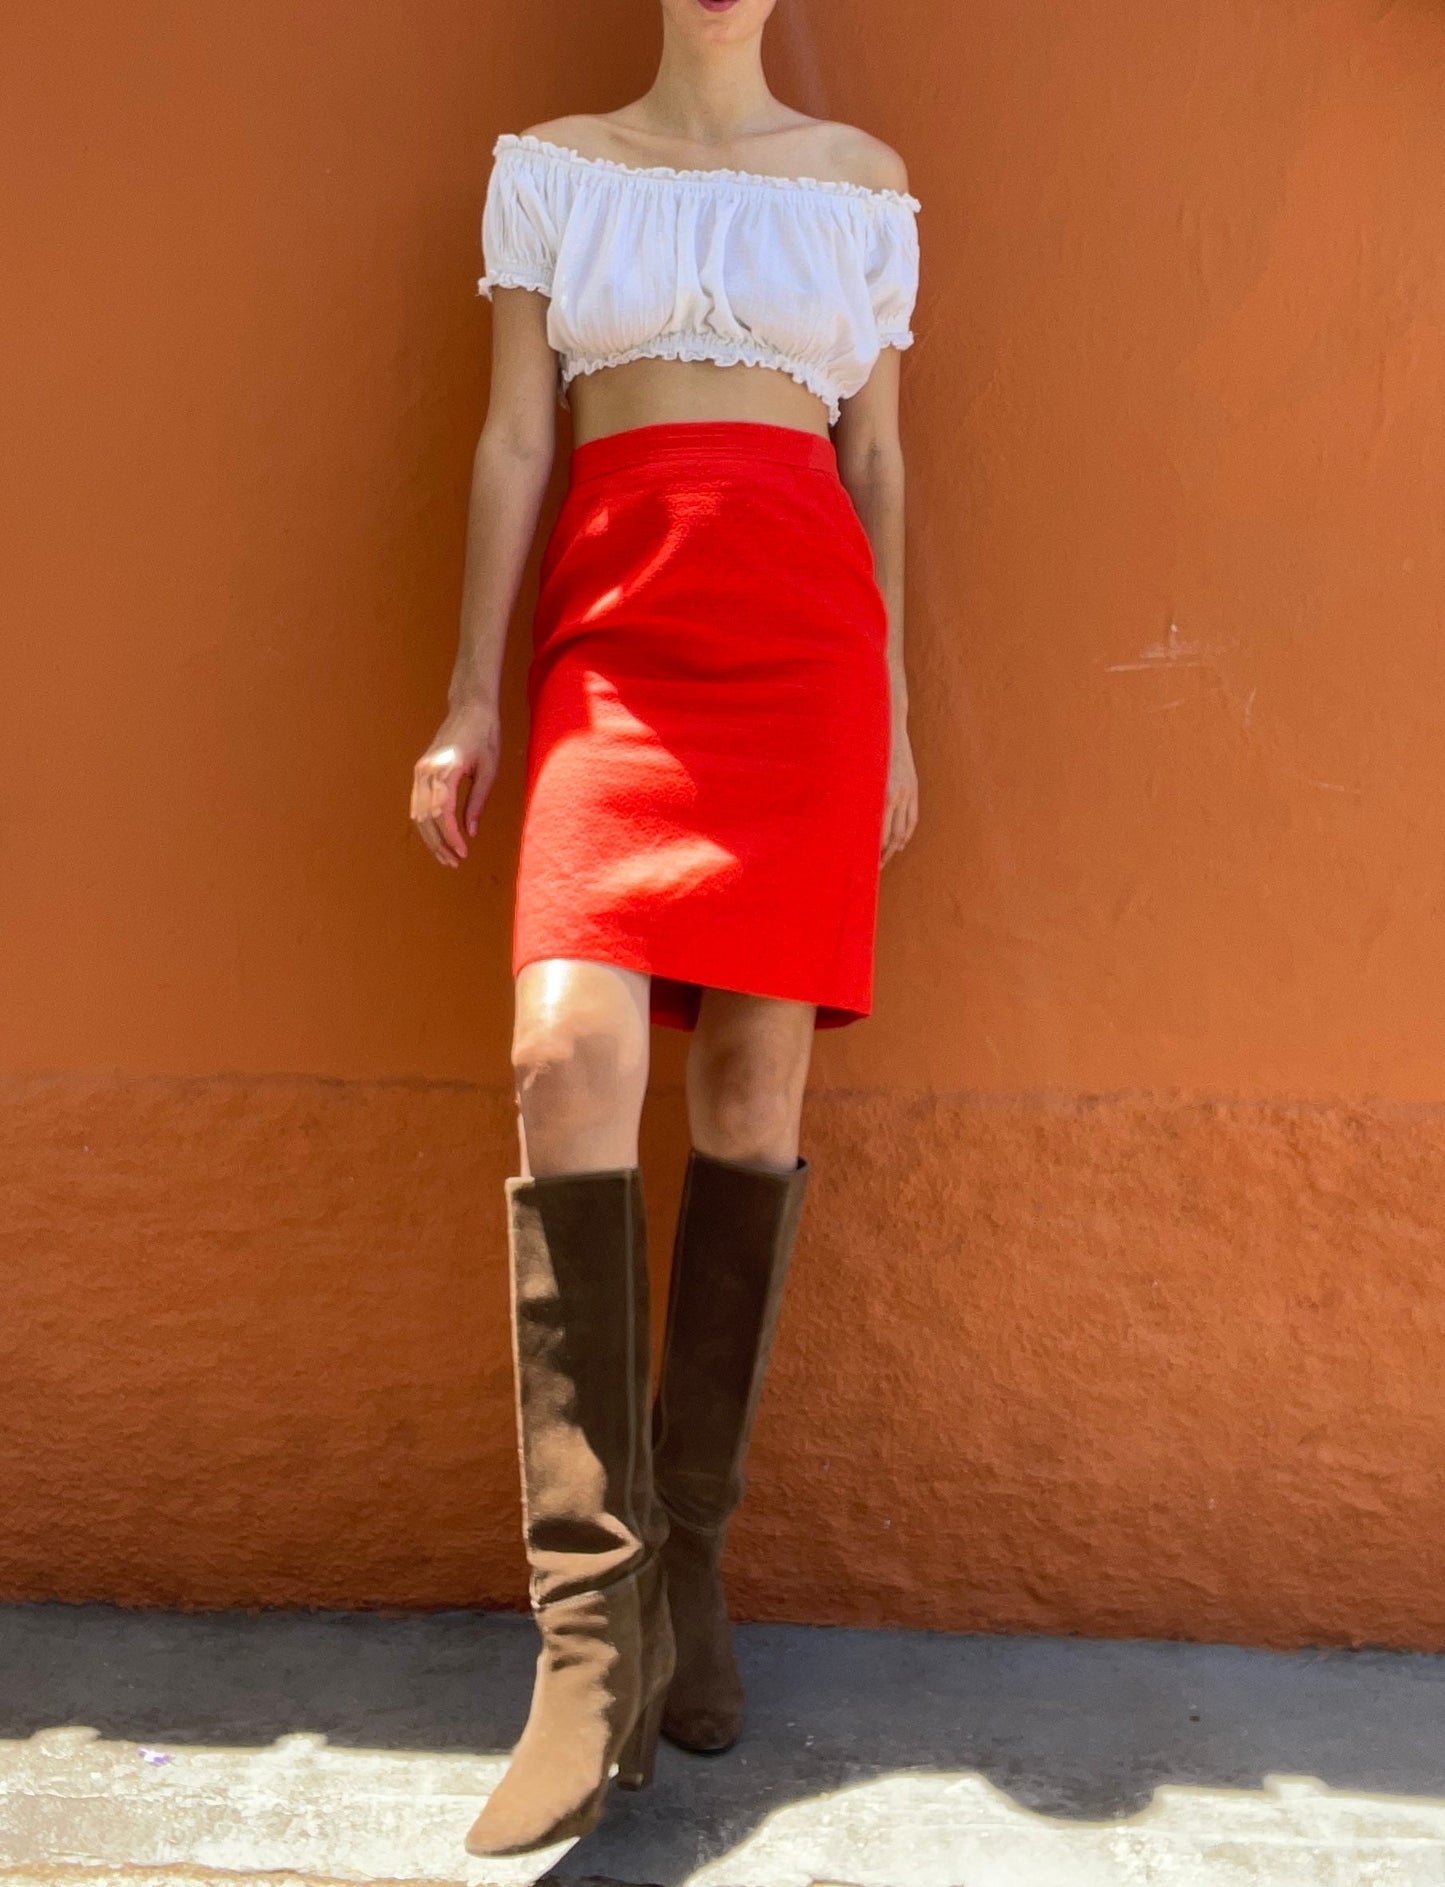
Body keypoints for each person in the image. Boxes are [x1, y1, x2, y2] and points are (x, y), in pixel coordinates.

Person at [408, 0, 920, 1858]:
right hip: (616, 646)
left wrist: (901, 725)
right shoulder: (553, 171)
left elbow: (874, 468)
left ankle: (690, 1564)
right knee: (564, 1051)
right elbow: (510, 448)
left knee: (751, 1097)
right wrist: (473, 695)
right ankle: (582, 1632)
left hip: (803, 663)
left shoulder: (861, 191)